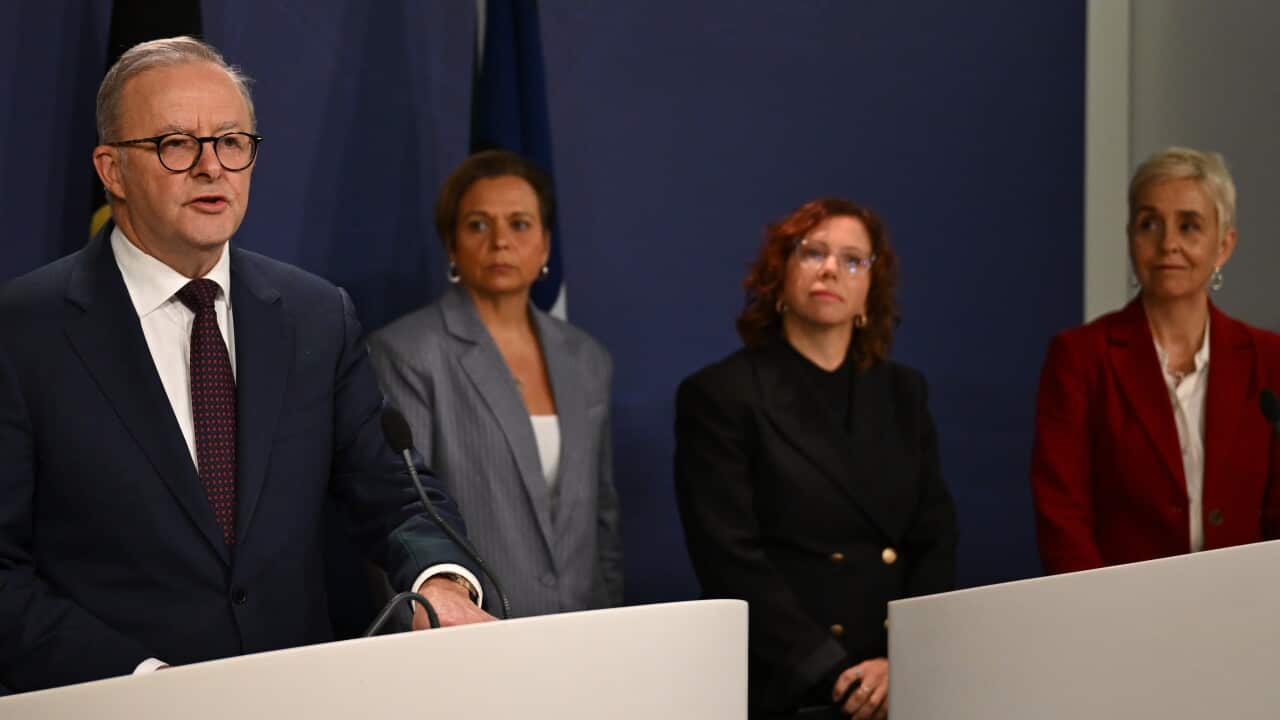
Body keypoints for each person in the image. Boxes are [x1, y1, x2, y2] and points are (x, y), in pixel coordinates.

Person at [0, 36, 492, 693]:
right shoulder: (24, 331)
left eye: (232, 142)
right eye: (176, 144)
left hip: (297, 697)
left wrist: (441, 581)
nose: (212, 167)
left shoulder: (316, 316)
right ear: (112, 170)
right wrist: (143, 684)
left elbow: (394, 493)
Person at [674, 198, 958, 719]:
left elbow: (935, 539)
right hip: (792, 683)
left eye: (853, 260)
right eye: (813, 252)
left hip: (898, 678)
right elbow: (729, 560)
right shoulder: (721, 394)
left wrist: (903, 658)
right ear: (779, 275)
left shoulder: (904, 392)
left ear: (870, 287)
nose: (831, 269)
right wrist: (833, 673)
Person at [368, 150, 623, 617]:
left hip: (584, 632)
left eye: (520, 224)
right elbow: (400, 515)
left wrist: (609, 624)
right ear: (451, 244)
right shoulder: (408, 353)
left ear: (546, 245)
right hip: (471, 633)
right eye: (478, 225)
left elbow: (601, 520)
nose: (501, 241)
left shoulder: (588, 359)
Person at [1031, 147, 1280, 574]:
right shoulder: (1079, 358)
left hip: (1246, 601)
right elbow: (1062, 514)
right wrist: (1101, 605)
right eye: (1150, 224)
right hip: (1119, 605)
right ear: (1131, 237)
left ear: (1224, 245)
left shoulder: (1269, 357)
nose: (1168, 244)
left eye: (1189, 226)